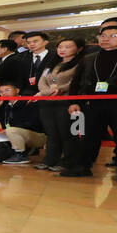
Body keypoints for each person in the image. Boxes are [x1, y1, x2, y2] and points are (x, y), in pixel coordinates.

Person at [64, 22, 117, 181]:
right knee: (89, 137)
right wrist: (73, 102)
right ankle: (83, 167)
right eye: (102, 36)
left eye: (113, 36)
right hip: (92, 103)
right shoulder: (88, 58)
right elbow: (76, 82)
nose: (106, 39)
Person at [34, 38, 82, 171]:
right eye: (60, 47)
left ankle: (67, 161)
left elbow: (74, 82)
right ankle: (50, 160)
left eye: (67, 47)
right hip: (48, 102)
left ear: (78, 49)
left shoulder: (79, 64)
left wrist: (59, 89)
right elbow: (41, 81)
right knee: (51, 133)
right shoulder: (52, 64)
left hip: (66, 102)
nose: (62, 50)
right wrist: (48, 92)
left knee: (66, 132)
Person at [0, 81, 44, 165]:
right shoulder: (4, 105)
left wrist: (10, 130)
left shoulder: (28, 102)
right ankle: (16, 152)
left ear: (17, 90)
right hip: (12, 135)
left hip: (35, 135)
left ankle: (20, 155)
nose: (4, 93)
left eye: (7, 90)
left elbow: (34, 123)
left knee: (11, 130)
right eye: (1, 91)